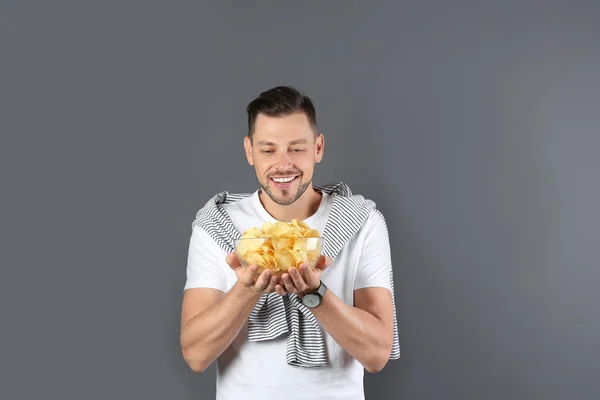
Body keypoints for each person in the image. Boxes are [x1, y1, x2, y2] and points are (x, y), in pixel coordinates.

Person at [180, 85, 400, 400]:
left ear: (318, 147)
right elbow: (195, 355)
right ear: (249, 151)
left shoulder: (361, 221)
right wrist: (247, 290)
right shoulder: (216, 226)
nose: (283, 164)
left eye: (296, 148)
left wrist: (315, 294)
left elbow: (377, 353)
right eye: (268, 149)